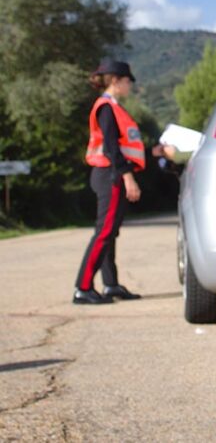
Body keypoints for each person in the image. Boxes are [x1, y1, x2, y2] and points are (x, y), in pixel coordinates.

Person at [73, 60, 145, 304]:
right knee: (104, 232)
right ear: (115, 80)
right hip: (110, 175)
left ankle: (111, 285)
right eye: (127, 81)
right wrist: (128, 177)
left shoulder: (113, 107)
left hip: (109, 174)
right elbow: (112, 148)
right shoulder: (106, 107)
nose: (130, 86)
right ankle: (83, 288)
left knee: (109, 232)